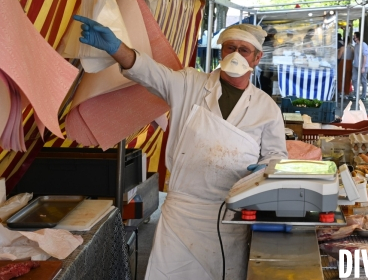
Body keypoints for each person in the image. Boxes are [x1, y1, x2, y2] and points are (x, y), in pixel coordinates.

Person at [72, 16, 287, 280]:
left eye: (244, 50)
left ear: (256, 58)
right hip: (182, 213)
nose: (236, 55)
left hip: (231, 214)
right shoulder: (189, 83)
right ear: (221, 52)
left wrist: (265, 167)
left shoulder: (267, 107)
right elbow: (148, 71)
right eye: (230, 48)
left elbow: (276, 155)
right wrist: (116, 47)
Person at [350, 31, 368, 101]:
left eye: (354, 36)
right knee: (354, 79)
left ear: (358, 37)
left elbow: (365, 56)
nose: (353, 38)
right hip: (355, 65)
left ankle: (363, 95)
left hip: (362, 66)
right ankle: (355, 94)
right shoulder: (356, 45)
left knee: (363, 81)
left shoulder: (363, 45)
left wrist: (363, 67)